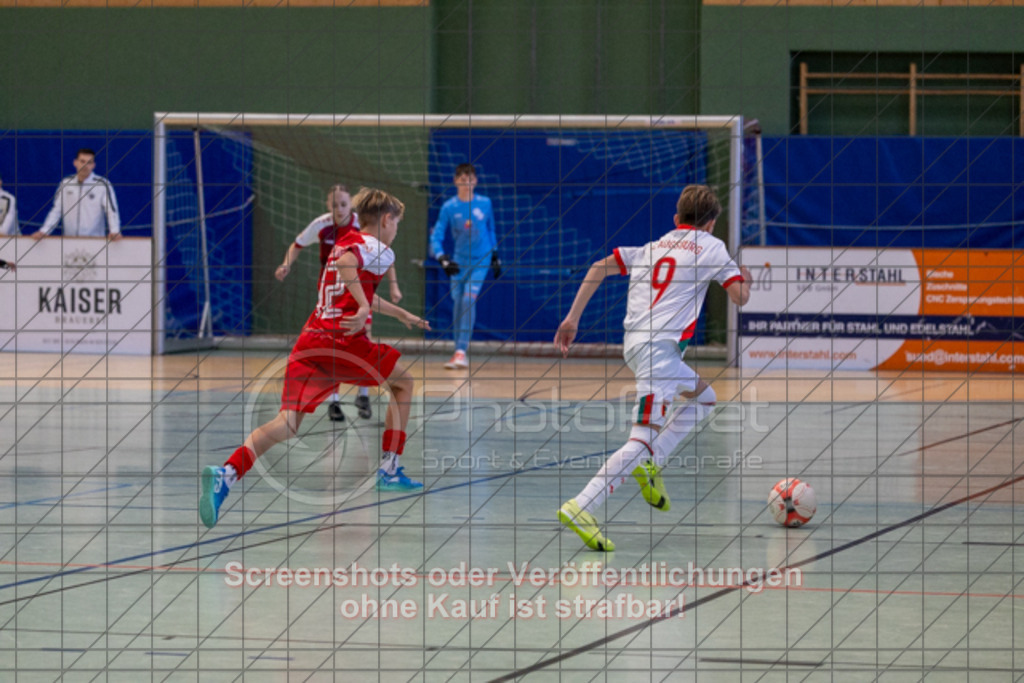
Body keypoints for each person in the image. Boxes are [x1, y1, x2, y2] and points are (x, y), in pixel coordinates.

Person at [200, 187, 430, 529]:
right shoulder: (378, 249)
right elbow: (348, 265)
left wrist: (399, 315)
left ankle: (227, 473)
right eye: (396, 223)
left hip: (311, 343)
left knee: (287, 424)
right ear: (385, 220)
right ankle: (390, 469)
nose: (396, 230)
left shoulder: (345, 239)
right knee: (404, 383)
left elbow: (354, 278)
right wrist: (365, 306)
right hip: (342, 343)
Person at [554, 185, 752, 551]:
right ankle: (582, 505)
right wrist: (746, 278)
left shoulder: (652, 247)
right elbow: (740, 296)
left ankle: (652, 462)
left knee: (704, 397)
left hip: (637, 346)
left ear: (676, 219)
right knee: (640, 437)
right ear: (710, 224)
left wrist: (572, 318)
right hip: (659, 353)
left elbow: (599, 266)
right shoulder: (712, 247)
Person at [276, 184, 403, 422]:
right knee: (338, 340)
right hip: (334, 289)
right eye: (335, 205)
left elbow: (383, 253)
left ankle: (363, 395)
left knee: (361, 334)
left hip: (358, 289)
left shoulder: (362, 226)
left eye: (344, 204)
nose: (339, 209)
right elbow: (298, 245)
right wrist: (286, 264)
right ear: (328, 206)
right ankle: (334, 401)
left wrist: (393, 286)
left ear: (351, 205)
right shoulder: (322, 225)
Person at [429, 163, 500, 369]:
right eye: (462, 178)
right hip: (459, 261)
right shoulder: (449, 207)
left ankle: (461, 352)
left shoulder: (485, 203)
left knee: (469, 299)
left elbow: (491, 229)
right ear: (455, 181)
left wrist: (495, 255)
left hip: (481, 259)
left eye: (470, 178)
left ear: (475, 181)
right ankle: (458, 349)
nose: (466, 182)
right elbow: (437, 235)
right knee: (458, 302)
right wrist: (442, 258)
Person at [33, 148, 121, 241]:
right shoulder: (65, 184)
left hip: (96, 241)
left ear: (93, 165)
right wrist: (44, 231)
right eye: (82, 161)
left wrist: (115, 230)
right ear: (75, 162)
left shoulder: (102, 185)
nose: (85, 166)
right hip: (69, 240)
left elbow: (111, 211)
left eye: (89, 162)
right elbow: (56, 210)